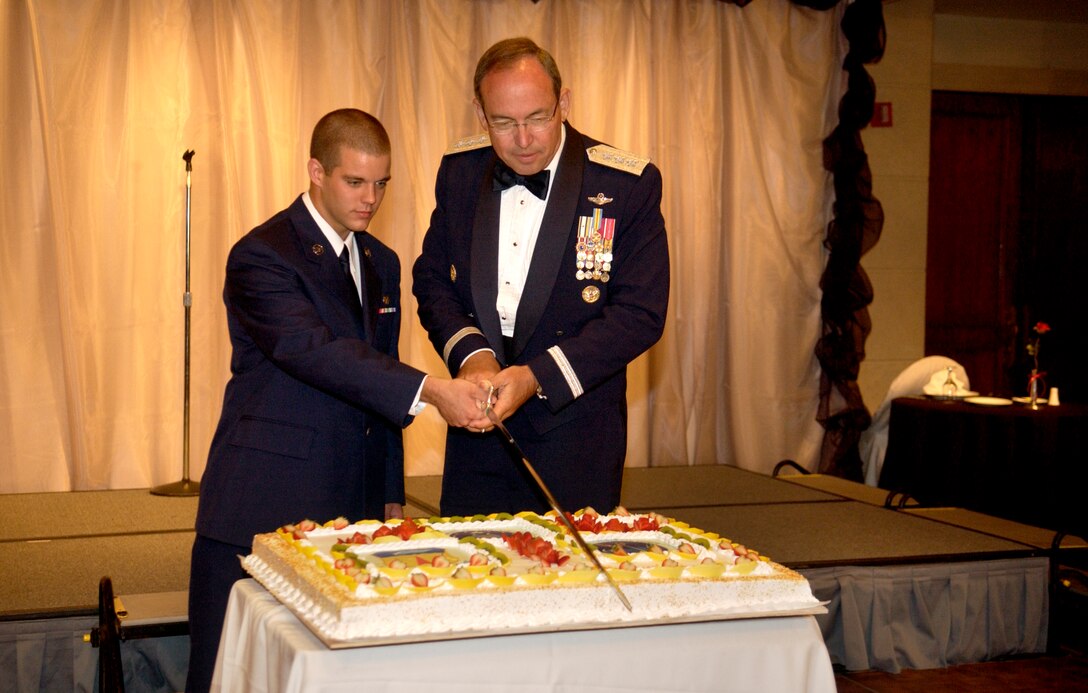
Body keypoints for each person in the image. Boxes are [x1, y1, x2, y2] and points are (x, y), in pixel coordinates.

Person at [186, 108, 490, 692]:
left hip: (348, 512)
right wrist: (431, 390)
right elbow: (314, 352)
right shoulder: (262, 255)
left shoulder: (381, 261)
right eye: (355, 181)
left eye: (382, 184)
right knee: (226, 676)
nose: (370, 198)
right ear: (316, 172)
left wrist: (391, 495)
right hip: (262, 504)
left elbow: (374, 387)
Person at [412, 38, 670, 517]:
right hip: (478, 432)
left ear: (564, 103)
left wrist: (537, 377)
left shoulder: (624, 184)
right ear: (480, 113)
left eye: (537, 117)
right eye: (504, 123)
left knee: (568, 583)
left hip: (576, 442)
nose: (524, 139)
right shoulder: (461, 172)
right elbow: (432, 280)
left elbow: (640, 315)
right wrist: (473, 356)